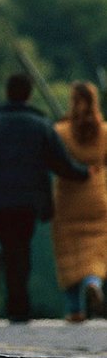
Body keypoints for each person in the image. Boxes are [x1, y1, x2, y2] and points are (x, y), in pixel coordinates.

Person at [0, 73, 90, 323]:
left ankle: (13, 303)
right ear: (29, 94)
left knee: (8, 246)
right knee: (22, 249)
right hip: (29, 201)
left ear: (8, 92)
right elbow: (60, 162)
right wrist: (85, 174)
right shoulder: (41, 125)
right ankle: (20, 306)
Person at [51, 82, 107, 322]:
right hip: (98, 197)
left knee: (68, 250)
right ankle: (93, 282)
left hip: (68, 198)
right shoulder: (104, 132)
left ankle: (74, 309)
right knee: (97, 247)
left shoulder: (60, 131)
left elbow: (55, 162)